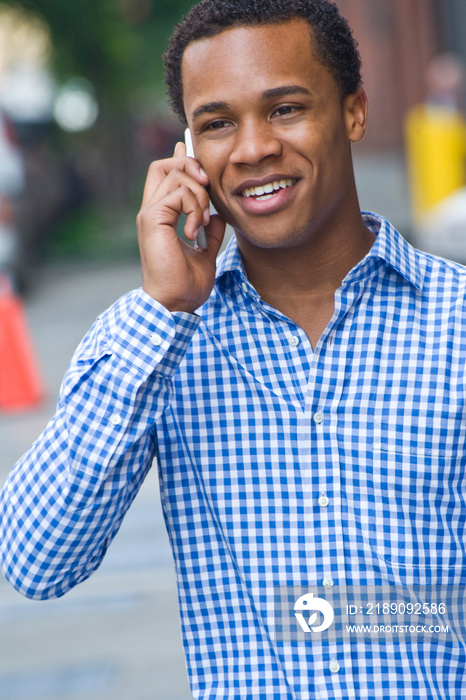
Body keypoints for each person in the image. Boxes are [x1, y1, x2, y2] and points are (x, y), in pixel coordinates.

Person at [1, 0, 466, 697]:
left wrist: (344, 616)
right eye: (217, 124)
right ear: (187, 155)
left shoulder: (454, 324)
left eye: (284, 109)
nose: (251, 149)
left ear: (354, 111)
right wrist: (165, 312)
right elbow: (35, 562)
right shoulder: (150, 342)